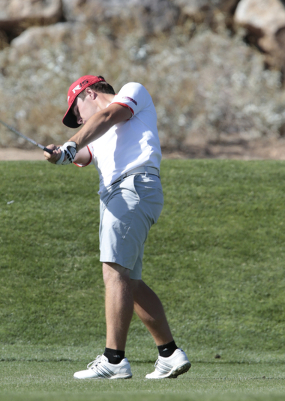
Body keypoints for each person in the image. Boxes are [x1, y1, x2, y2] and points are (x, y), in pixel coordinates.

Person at [44, 75, 191, 380]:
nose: (78, 118)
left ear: (89, 93)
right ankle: (169, 354)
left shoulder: (131, 93)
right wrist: (59, 155)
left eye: (76, 111)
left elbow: (107, 116)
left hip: (132, 187)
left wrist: (71, 144)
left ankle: (114, 360)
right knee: (130, 282)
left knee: (113, 271)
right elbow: (83, 155)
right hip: (118, 194)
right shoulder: (96, 132)